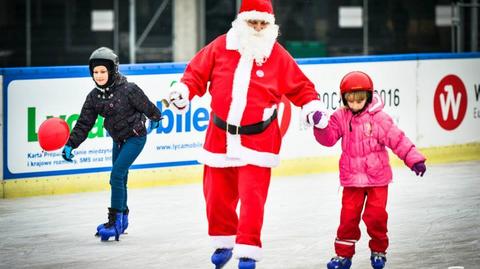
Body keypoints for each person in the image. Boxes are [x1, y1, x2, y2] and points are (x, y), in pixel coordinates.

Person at [166, 0, 328, 268]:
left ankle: (248, 249)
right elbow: (195, 75)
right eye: (253, 22)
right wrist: (183, 92)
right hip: (219, 137)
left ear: (271, 25)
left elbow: (301, 88)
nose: (257, 28)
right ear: (242, 21)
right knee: (216, 196)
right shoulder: (220, 47)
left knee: (253, 199)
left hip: (259, 140)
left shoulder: (277, 55)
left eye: (263, 23)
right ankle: (223, 241)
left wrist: (312, 108)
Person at [309, 71, 427, 269]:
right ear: (344, 98)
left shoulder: (379, 118)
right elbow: (328, 139)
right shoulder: (340, 117)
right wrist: (320, 125)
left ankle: (379, 250)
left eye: (360, 100)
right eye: (350, 100)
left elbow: (397, 139)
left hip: (377, 180)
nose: (355, 104)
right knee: (347, 218)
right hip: (351, 180)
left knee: (376, 217)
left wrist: (413, 158)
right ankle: (343, 255)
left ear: (369, 96)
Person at [61, 47, 162, 241]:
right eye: (95, 72)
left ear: (113, 71)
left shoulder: (129, 89)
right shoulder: (94, 97)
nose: (98, 76)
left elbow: (147, 105)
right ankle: (122, 220)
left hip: (135, 137)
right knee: (120, 178)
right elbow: (84, 123)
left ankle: (114, 221)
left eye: (103, 71)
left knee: (116, 175)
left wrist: (155, 116)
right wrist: (71, 144)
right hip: (118, 140)